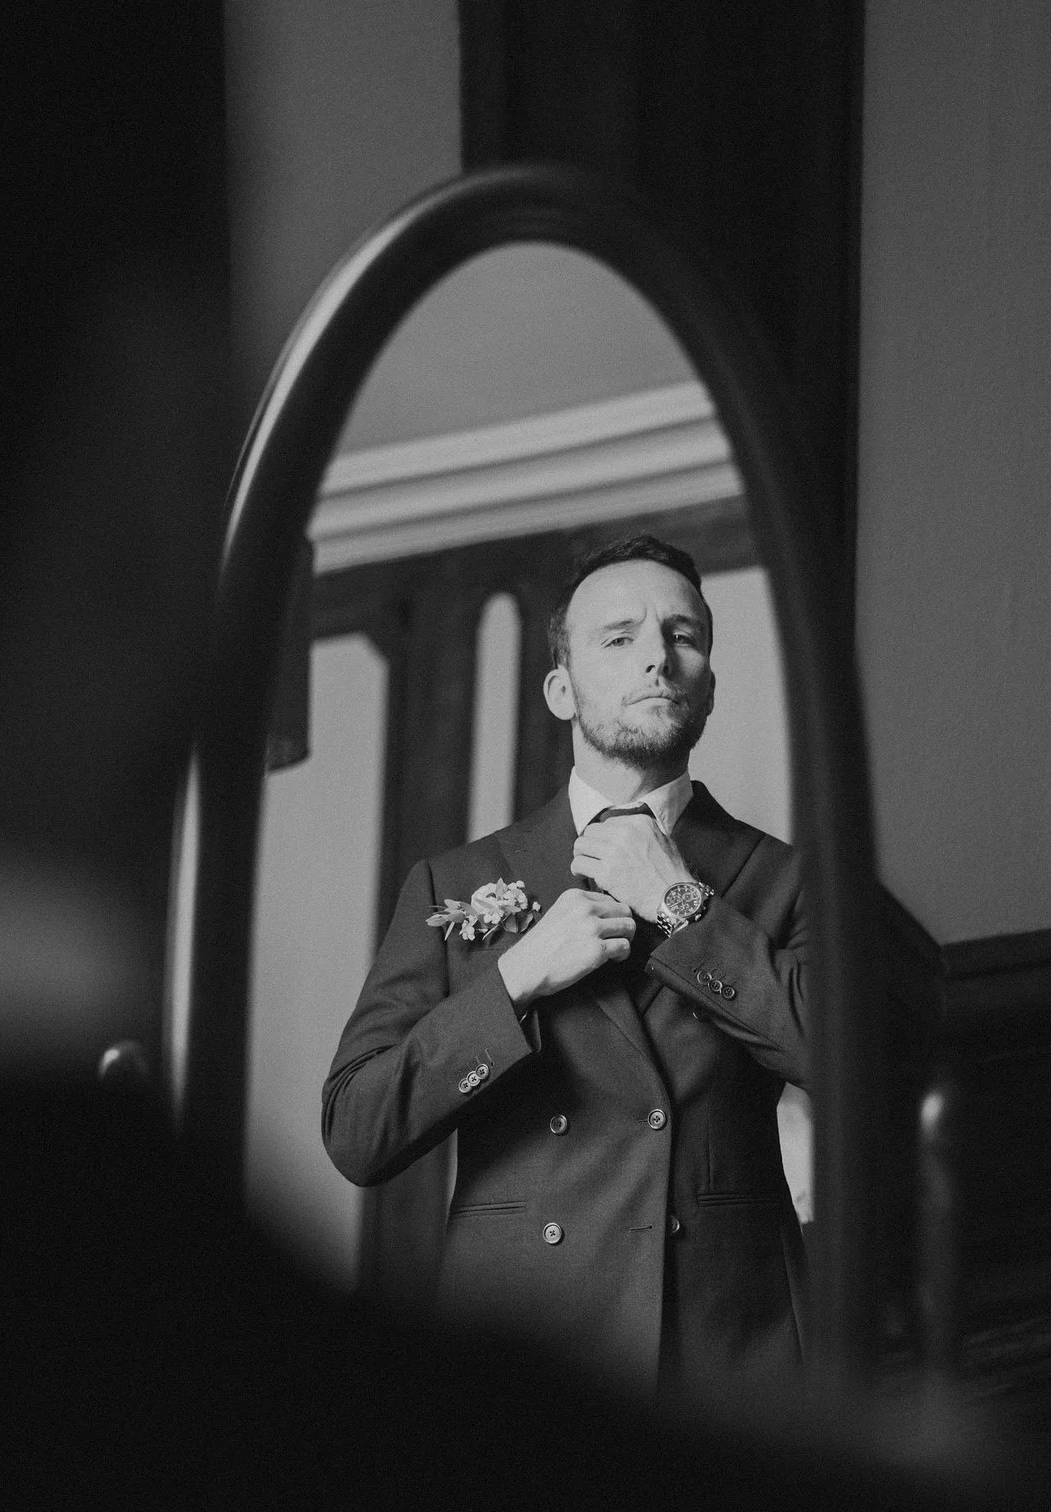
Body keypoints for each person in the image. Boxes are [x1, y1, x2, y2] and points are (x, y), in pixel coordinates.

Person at [322, 534, 810, 1410]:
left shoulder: (787, 879)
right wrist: (514, 979)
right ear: (560, 690)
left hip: (727, 1348)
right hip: (524, 1339)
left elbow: (853, 1066)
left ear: (708, 685)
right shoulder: (455, 881)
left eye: (684, 635)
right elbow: (358, 1129)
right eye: (619, 637)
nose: (658, 656)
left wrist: (684, 907)